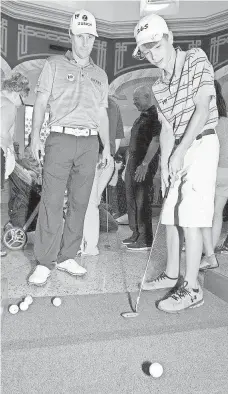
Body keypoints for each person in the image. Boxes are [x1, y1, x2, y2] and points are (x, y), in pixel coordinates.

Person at [133, 13, 219, 312]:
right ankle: (171, 274)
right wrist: (169, 162)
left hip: (203, 142)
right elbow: (167, 129)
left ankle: (193, 288)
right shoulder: (158, 87)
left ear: (168, 38)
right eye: (146, 51)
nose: (152, 55)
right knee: (169, 214)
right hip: (181, 149)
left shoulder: (196, 58)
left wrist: (181, 152)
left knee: (192, 217)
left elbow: (203, 106)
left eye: (156, 46)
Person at [28, 10, 111, 286]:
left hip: (89, 143)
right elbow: (40, 103)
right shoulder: (53, 65)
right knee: (52, 201)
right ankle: (44, 262)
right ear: (71, 35)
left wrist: (107, 147)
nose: (86, 42)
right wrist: (34, 138)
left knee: (80, 202)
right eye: (80, 36)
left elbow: (102, 115)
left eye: (90, 37)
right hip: (59, 139)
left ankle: (67, 256)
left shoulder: (100, 74)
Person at [80, 95, 124, 255]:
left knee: (85, 202)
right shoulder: (115, 105)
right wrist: (110, 154)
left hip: (91, 156)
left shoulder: (90, 100)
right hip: (108, 160)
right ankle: (90, 244)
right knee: (94, 203)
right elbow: (118, 139)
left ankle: (87, 245)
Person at [122, 85, 161, 251]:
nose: (134, 102)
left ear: (147, 97)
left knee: (142, 199)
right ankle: (136, 233)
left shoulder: (155, 116)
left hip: (144, 163)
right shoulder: (141, 117)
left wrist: (145, 164)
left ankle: (145, 239)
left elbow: (156, 140)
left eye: (137, 99)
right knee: (131, 199)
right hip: (133, 162)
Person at [1, 72, 30, 256]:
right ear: (16, 91)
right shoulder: (9, 105)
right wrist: (9, 150)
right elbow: (2, 132)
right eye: (23, 98)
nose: (22, 103)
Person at [200, 80, 228, 268]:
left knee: (202, 214)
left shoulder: (204, 119)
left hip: (209, 171)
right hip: (226, 173)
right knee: (217, 213)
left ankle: (206, 253)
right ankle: (206, 257)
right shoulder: (226, 121)